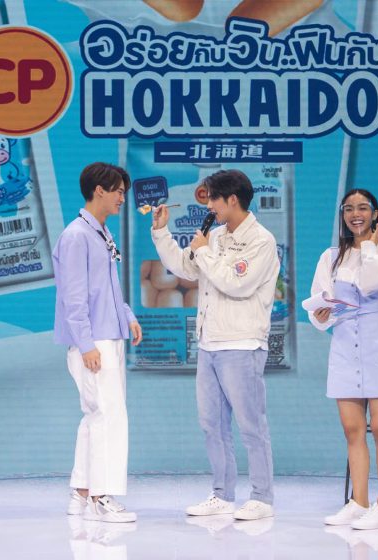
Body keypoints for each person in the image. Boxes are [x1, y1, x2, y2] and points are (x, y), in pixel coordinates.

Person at [151, 169, 279, 521]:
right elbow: (185, 267)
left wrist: (204, 253)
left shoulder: (261, 241)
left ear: (232, 199)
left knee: (251, 425)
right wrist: (162, 232)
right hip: (209, 344)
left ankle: (262, 497)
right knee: (212, 425)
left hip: (242, 344)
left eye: (213, 200)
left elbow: (236, 284)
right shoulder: (216, 236)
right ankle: (222, 494)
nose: (209, 207)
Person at [308, 188, 378, 530]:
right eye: (349, 208)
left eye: (363, 208)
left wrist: (368, 247)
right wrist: (321, 314)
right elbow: (319, 302)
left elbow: (370, 285)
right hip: (344, 346)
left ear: (375, 214)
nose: (356, 214)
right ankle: (358, 502)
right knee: (353, 430)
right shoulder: (330, 257)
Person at [53, 162, 143, 523]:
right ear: (99, 190)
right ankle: (101, 497)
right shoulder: (77, 236)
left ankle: (81, 491)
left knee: (96, 416)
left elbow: (107, 287)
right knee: (109, 416)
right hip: (94, 341)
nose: (122, 198)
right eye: (118, 191)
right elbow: (73, 297)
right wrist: (86, 343)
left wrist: (127, 314)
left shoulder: (101, 233)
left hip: (108, 334)